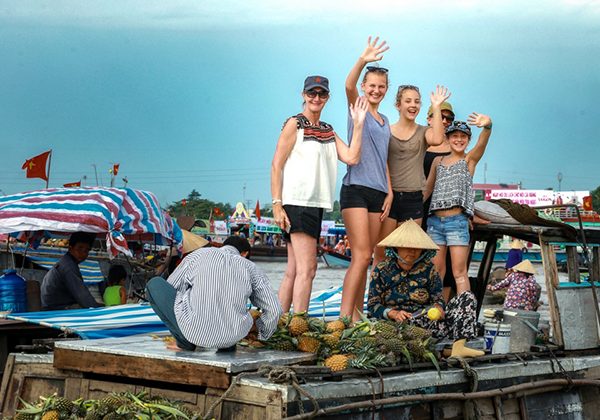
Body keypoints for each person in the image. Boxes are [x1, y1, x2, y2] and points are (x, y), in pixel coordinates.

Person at [271, 75, 368, 313]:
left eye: (321, 94)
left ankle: (277, 324)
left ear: (327, 98)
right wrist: (277, 204)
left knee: (294, 271)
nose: (316, 98)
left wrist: (358, 124)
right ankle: (299, 324)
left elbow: (352, 157)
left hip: (315, 204)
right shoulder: (295, 124)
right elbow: (277, 165)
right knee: (308, 269)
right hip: (297, 202)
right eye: (311, 93)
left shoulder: (327, 130)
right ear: (304, 95)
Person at [368, 219, 484, 358]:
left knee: (467, 297)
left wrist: (439, 307)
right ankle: (444, 350)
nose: (412, 251)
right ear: (396, 247)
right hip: (399, 326)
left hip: (427, 321)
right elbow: (372, 305)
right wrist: (393, 313)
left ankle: (458, 346)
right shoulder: (381, 270)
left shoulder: (429, 269)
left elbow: (438, 298)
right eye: (407, 247)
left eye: (417, 248)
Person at [145, 236, 282, 352]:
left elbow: (172, 287)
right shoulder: (251, 267)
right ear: (244, 253)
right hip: (233, 337)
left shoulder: (199, 255)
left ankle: (184, 342)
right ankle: (226, 346)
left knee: (154, 283)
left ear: (223, 245)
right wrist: (263, 334)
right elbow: (275, 310)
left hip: (193, 330)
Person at [338, 36, 393, 321]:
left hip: (378, 192)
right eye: (371, 85)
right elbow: (347, 85)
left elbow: (383, 159)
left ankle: (358, 316)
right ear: (364, 87)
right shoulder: (356, 110)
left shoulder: (384, 121)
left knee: (369, 257)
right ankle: (344, 319)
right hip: (355, 189)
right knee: (359, 256)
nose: (376, 90)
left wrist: (390, 192)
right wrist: (363, 59)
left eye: (381, 87)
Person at [371, 84, 449, 271]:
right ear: (398, 105)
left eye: (417, 101)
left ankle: (402, 299)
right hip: (388, 198)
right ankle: (375, 299)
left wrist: (437, 106)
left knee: (408, 256)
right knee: (381, 254)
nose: (413, 105)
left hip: (413, 198)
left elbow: (437, 138)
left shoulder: (423, 131)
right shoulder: (386, 131)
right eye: (408, 101)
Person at [425, 116, 493, 300]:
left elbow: (482, 143)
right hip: (434, 222)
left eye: (463, 136)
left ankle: (464, 316)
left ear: (468, 140)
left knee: (459, 272)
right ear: (447, 139)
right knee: (436, 271)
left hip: (457, 222)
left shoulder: (469, 160)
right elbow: (427, 190)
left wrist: (487, 126)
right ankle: (437, 312)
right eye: (454, 136)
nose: (459, 139)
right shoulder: (437, 162)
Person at [41, 232, 104, 311]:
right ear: (70, 248)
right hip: (55, 309)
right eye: (80, 248)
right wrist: (98, 311)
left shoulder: (66, 262)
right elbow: (82, 296)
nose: (83, 254)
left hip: (55, 306)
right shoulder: (68, 266)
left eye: (86, 250)